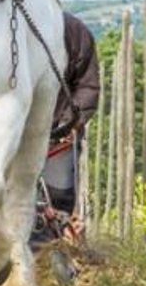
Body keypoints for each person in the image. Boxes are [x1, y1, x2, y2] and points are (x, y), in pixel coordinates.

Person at [31, 12, 100, 246]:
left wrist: (69, 123)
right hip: (15, 136)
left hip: (58, 137)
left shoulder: (74, 33)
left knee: (58, 197)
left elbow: (87, 86)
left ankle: (49, 252)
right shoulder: (7, 29)